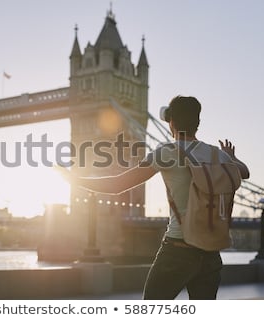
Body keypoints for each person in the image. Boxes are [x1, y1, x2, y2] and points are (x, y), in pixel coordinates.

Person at [58, 95, 250, 299]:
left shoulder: (168, 152)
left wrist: (75, 179)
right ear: (198, 123)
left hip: (178, 251)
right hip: (211, 253)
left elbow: (118, 184)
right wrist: (230, 157)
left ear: (171, 122)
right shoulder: (216, 154)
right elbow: (244, 172)